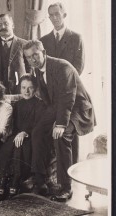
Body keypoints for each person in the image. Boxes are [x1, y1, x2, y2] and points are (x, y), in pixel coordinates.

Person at [23, 40, 95, 202]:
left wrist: (61, 123)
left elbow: (67, 97)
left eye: (35, 54)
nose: (32, 59)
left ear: (44, 53)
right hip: (58, 107)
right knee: (37, 131)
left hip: (78, 108)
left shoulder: (62, 67)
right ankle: (40, 181)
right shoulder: (36, 70)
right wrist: (47, 120)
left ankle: (65, 187)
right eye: (28, 57)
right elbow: (49, 100)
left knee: (61, 136)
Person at [40, 2, 85, 164]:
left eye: (57, 14)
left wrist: (64, 87)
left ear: (64, 15)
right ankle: (54, 175)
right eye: (50, 15)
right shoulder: (43, 41)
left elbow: (78, 68)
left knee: (69, 132)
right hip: (52, 96)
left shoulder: (76, 38)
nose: (53, 18)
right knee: (51, 133)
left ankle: (73, 171)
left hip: (71, 93)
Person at [0, 74, 45, 197]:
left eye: (30, 88)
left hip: (31, 136)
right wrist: (15, 134)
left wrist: (25, 133)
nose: (26, 91)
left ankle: (16, 180)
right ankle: (4, 178)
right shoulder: (17, 105)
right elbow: (13, 125)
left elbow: (39, 125)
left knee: (20, 146)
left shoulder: (40, 104)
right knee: (8, 145)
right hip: (17, 134)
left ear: (35, 89)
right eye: (23, 87)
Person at [0, 14, 30, 94]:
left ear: (12, 25)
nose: (3, 27)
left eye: (6, 23)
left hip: (20, 89)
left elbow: (30, 69)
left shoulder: (25, 44)